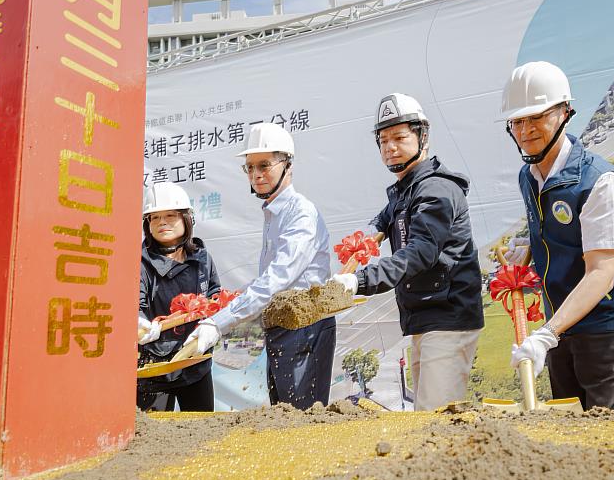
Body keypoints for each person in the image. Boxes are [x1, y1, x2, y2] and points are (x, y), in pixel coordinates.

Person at [502, 61, 614, 412]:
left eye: (537, 116)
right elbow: (558, 236)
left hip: (606, 326)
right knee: (569, 423)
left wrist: (547, 334)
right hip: (560, 324)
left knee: (608, 430)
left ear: (565, 113)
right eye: (517, 121)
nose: (526, 129)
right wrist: (528, 249)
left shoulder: (600, 180)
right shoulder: (528, 175)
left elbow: (601, 273)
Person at [334, 93, 485, 411]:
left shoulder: (436, 190)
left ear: (423, 136)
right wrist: (351, 260)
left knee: (435, 418)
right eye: (383, 139)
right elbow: (377, 228)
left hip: (447, 320)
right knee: (427, 417)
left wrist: (359, 281)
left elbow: (420, 253)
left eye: (399, 137)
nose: (389, 147)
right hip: (426, 321)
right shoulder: (404, 193)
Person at [186, 123, 335, 410]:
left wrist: (219, 323)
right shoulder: (274, 213)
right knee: (282, 414)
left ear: (287, 165)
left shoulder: (300, 213)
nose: (256, 175)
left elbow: (278, 279)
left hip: (306, 327)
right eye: (250, 167)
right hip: (282, 325)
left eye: (264, 165)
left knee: (301, 421)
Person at [137, 182, 221, 411]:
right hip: (153, 367)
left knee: (201, 429)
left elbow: (214, 295)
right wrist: (140, 323)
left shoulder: (202, 258)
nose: (162, 222)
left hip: (195, 360)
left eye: (170, 215)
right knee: (151, 435)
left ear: (186, 219)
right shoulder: (140, 263)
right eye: (154, 217)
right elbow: (135, 306)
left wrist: (213, 323)